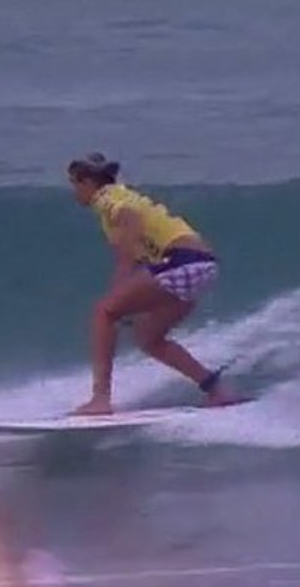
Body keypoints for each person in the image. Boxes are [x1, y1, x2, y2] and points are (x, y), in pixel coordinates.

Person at [67, 153, 238, 415]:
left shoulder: (108, 199)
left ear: (87, 182)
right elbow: (139, 255)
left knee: (103, 312)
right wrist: (125, 299)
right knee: (149, 338)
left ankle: (100, 400)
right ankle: (217, 391)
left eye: (74, 184)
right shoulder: (122, 194)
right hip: (202, 265)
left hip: (183, 262)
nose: (74, 192)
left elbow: (129, 227)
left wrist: (117, 297)